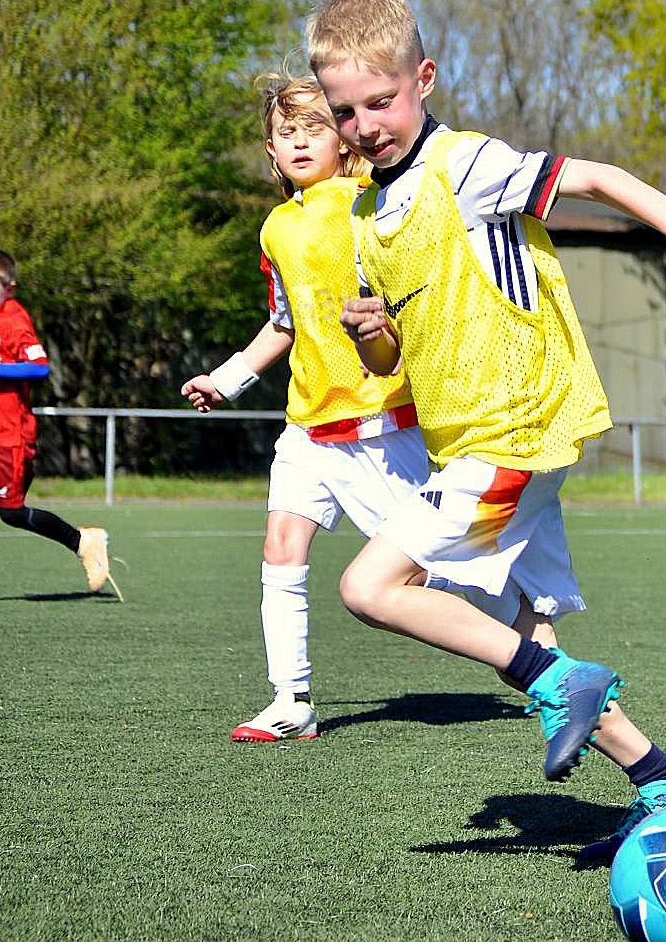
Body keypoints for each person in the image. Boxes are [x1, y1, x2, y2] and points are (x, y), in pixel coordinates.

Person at [306, 0, 666, 855]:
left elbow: (600, 178)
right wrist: (372, 334)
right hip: (471, 443)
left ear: (424, 79)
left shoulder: (467, 165)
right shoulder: (365, 214)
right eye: (345, 111)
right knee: (523, 636)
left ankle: (566, 686)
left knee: (369, 589)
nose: (364, 126)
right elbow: (389, 365)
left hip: (516, 429)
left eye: (381, 101)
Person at [183, 69, 480, 741]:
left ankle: (534, 650)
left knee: (434, 572)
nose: (298, 142)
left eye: (313, 128)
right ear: (270, 149)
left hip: (380, 423)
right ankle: (291, 701)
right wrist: (227, 380)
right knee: (281, 545)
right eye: (285, 132)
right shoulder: (275, 228)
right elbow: (286, 320)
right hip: (307, 425)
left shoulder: (371, 202)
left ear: (344, 138)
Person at [0, 248, 111, 604]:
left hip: (8, 439)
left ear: (9, 290)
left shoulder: (15, 320)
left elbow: (40, 367)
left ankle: (82, 541)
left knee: (11, 514)